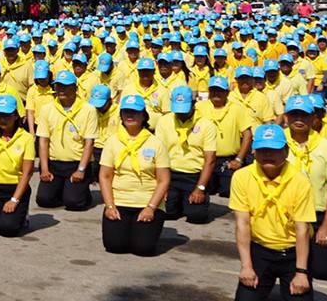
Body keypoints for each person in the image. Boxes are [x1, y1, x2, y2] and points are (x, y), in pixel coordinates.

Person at [231, 124, 317, 301]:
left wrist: (301, 272)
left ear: (286, 151)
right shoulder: (242, 177)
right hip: (260, 249)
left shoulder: (299, 181)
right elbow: (242, 224)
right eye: (262, 150)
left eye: (274, 150)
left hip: (292, 250)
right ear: (254, 151)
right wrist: (246, 266)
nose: (268, 155)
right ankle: (264, 283)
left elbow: (302, 229)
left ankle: (290, 284)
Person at [98, 96, 171, 256]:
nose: (130, 116)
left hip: (147, 202)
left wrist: (150, 208)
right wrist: (110, 206)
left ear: (143, 115)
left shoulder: (156, 143)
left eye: (135, 112)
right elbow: (105, 176)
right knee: (115, 246)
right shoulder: (112, 141)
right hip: (119, 201)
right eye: (126, 112)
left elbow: (163, 180)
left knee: (143, 249)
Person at [284, 96, 327, 279]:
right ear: (286, 117)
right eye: (294, 115)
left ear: (313, 118)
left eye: (304, 115)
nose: (299, 120)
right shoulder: (277, 143)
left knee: (322, 271)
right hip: (285, 214)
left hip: (315, 213)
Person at [152, 85, 217, 223]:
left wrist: (200, 188)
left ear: (194, 104)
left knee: (196, 216)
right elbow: (158, 154)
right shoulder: (164, 121)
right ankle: (178, 201)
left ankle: (196, 199)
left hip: (194, 176)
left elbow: (210, 159)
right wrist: (160, 185)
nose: (180, 114)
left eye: (184, 109)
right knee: (165, 212)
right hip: (170, 173)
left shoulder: (206, 125)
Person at [34, 70, 97, 211]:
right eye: (58, 86)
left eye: (66, 86)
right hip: (54, 164)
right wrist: (44, 168)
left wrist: (81, 170)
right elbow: (43, 141)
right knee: (44, 200)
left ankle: (81, 192)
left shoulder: (88, 110)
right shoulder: (47, 109)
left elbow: (89, 143)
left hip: (76, 163)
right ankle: (64, 189)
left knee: (74, 203)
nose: (61, 90)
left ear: (75, 88)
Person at [0, 95, 36, 237]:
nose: (2, 120)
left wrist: (14, 200)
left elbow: (27, 173)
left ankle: (23, 217)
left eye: (6, 116)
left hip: (15, 187)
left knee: (8, 229)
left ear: (16, 116)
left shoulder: (26, 138)